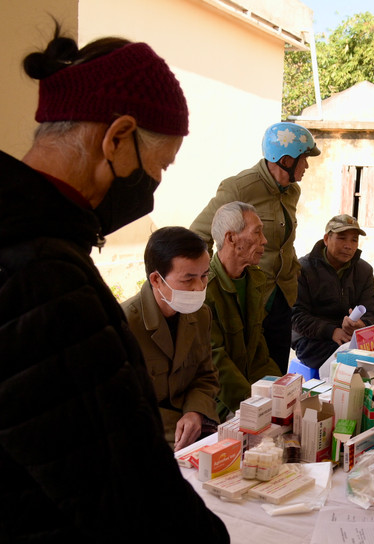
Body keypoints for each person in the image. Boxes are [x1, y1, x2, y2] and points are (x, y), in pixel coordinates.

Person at [0, 28, 228, 542]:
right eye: (160, 166)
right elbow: (131, 497)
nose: (156, 185)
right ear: (117, 137)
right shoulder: (43, 280)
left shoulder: (32, 246)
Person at [190, 122, 321, 373]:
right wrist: (210, 281)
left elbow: (285, 241)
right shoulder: (239, 187)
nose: (307, 166)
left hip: (281, 297)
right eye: (304, 159)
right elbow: (199, 234)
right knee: (243, 370)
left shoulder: (292, 191)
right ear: (285, 160)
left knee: (276, 372)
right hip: (246, 297)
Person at [122, 227, 219, 451]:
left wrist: (195, 412)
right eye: (188, 279)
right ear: (156, 279)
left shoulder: (200, 315)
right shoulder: (126, 324)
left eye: (204, 275)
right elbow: (119, 405)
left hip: (194, 428)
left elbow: (206, 376)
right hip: (145, 438)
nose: (200, 287)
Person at [206, 201, 282, 421]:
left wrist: (279, 389)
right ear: (231, 238)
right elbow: (215, 359)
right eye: (257, 232)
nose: (264, 240)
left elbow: (258, 346)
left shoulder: (255, 279)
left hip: (251, 394)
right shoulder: (206, 288)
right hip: (221, 401)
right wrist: (251, 404)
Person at [291, 214, 374, 369]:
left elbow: (372, 315)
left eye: (354, 240)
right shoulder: (304, 269)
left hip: (350, 338)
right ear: (326, 239)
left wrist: (361, 324)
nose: (349, 246)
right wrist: (331, 331)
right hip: (313, 340)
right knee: (351, 364)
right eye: (342, 238)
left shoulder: (364, 270)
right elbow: (296, 316)